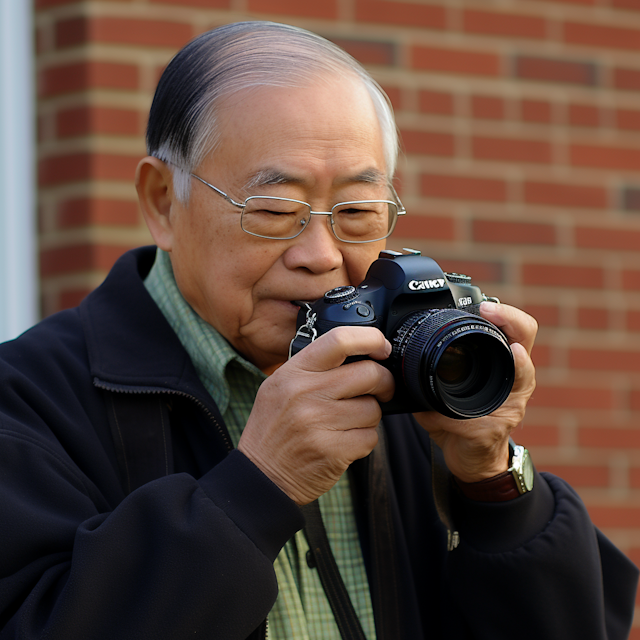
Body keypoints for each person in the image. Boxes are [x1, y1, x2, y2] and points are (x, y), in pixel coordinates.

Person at [0, 21, 637, 640]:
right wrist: (260, 484)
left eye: (358, 212)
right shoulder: (27, 402)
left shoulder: (406, 385)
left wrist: (492, 479)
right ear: (164, 201)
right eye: (276, 211)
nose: (322, 255)